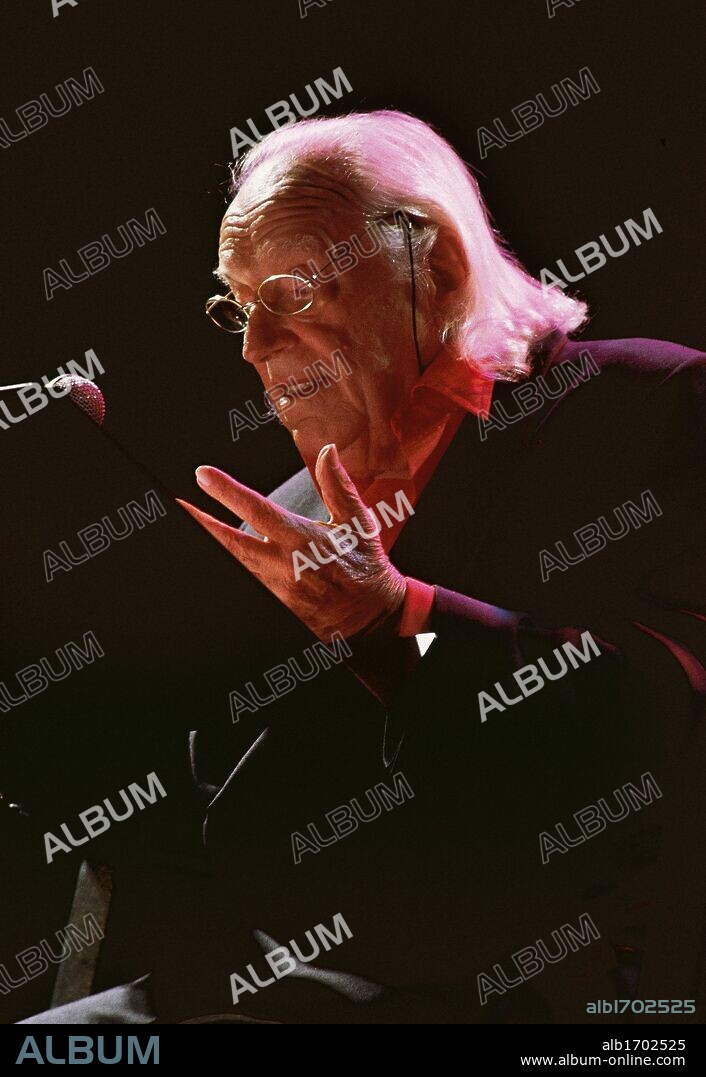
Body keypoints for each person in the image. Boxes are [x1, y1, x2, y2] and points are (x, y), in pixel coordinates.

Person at [21, 110, 706, 1024]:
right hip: (280, 975)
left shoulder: (648, 407)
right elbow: (190, 803)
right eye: (237, 306)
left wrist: (396, 620)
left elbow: (668, 715)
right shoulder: (288, 513)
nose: (255, 350)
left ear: (441, 269)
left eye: (294, 294)